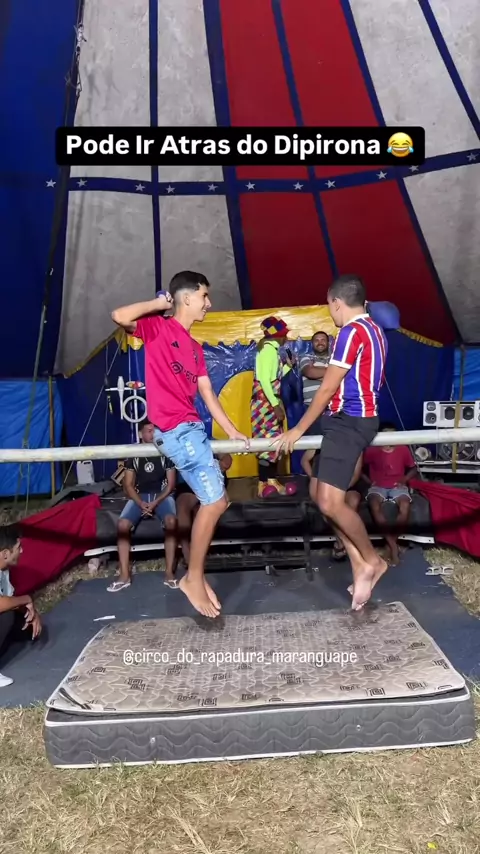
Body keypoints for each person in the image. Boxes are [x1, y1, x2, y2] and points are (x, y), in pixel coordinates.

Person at [111, 271, 249, 618]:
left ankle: (194, 577)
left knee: (217, 502)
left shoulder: (195, 348)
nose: (209, 303)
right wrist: (159, 303)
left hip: (193, 429)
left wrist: (232, 431)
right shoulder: (158, 328)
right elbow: (119, 315)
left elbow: (207, 393)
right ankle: (193, 577)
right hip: (176, 431)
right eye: (204, 296)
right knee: (215, 503)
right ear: (186, 298)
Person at [273, 274, 389, 611]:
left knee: (330, 502)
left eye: (328, 305)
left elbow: (327, 387)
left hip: (349, 421)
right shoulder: (375, 330)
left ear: (337, 302)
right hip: (345, 421)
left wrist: (297, 430)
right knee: (320, 497)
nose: (330, 311)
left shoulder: (352, 332)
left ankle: (372, 561)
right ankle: (358, 562)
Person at [108, 418, 178, 592]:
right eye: (149, 431)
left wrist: (155, 503)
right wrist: (140, 503)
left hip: (161, 496)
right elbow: (128, 485)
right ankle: (124, 575)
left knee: (171, 521)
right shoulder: (134, 454)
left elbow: (170, 485)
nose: (153, 434)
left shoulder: (166, 451)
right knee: (122, 524)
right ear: (140, 434)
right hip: (139, 496)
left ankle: (169, 573)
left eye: (155, 430)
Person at [250, 316, 297, 498]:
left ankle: (271, 480)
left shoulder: (273, 351)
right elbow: (264, 381)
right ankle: (263, 484)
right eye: (284, 334)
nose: (286, 337)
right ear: (277, 335)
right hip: (264, 404)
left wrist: (288, 366)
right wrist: (276, 405)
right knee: (266, 444)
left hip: (269, 402)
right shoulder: (268, 351)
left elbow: (273, 376)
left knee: (273, 443)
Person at [363, 422, 417, 565]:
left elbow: (414, 468)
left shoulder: (402, 449)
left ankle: (390, 543)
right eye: (386, 434)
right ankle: (393, 547)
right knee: (374, 505)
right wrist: (369, 482)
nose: (390, 437)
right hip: (378, 486)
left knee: (405, 505)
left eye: (392, 434)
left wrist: (405, 479)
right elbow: (359, 468)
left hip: (397, 486)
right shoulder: (372, 450)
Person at [0, 527, 42, 687]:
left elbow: (10, 600)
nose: (22, 551)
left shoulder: (4, 570)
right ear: (5, 554)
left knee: (27, 626)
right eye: (18, 548)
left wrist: (32, 613)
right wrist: (27, 599)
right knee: (6, 617)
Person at [176, 454, 232, 566]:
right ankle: (187, 552)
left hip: (209, 481)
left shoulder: (209, 445)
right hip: (188, 482)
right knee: (183, 506)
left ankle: (198, 553)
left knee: (208, 510)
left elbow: (227, 461)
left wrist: (216, 466)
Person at [299, 331, 331, 477]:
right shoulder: (306, 357)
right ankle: (315, 480)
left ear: (328, 342)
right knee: (315, 449)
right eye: (316, 340)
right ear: (312, 344)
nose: (320, 342)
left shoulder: (335, 358)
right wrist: (333, 375)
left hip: (333, 409)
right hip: (313, 409)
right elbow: (310, 372)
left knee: (330, 447)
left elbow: (344, 377)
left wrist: (321, 374)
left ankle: (326, 481)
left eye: (323, 340)